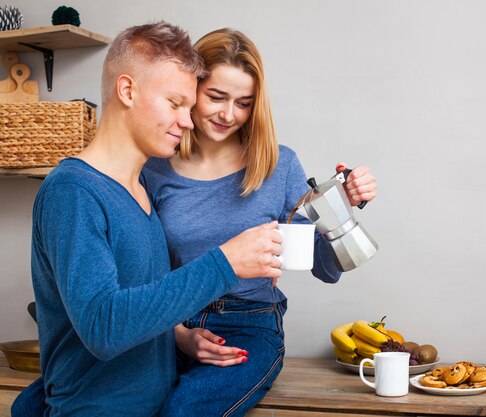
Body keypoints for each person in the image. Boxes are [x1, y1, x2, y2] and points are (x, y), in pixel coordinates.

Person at [11, 22, 283, 417]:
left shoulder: (139, 189)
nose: (188, 121)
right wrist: (225, 263)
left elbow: (142, 302)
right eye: (174, 104)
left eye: (189, 108)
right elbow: (104, 327)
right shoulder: (74, 191)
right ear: (127, 91)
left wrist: (180, 339)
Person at [140, 28, 377, 417]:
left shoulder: (278, 165)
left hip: (247, 325)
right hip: (167, 326)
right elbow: (144, 270)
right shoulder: (155, 168)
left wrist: (341, 208)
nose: (227, 114)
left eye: (243, 103)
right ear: (191, 88)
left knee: (184, 411)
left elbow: (323, 265)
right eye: (215, 96)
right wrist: (178, 335)